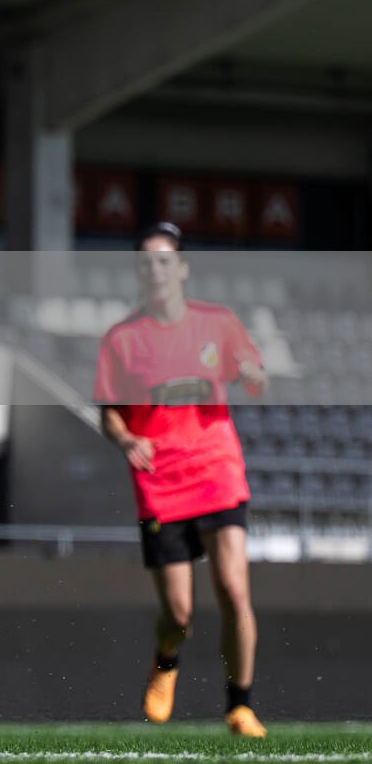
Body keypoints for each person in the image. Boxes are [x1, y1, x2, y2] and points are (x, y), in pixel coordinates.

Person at [94, 221, 268, 738]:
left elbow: (252, 372)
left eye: (165, 260)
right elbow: (110, 415)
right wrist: (126, 440)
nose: (156, 270)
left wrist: (255, 374)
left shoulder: (217, 324)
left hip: (217, 469)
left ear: (183, 268)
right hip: (160, 481)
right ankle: (166, 659)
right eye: (146, 261)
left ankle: (240, 706)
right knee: (180, 612)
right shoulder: (121, 340)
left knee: (235, 591)